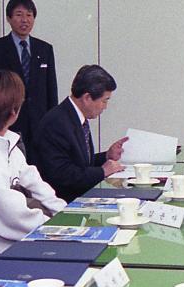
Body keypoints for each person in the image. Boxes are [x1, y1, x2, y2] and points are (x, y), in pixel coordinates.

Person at [0, 70, 66, 252]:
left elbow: (34, 182)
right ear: (14, 111)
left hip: (19, 239)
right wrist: (55, 225)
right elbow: (12, 215)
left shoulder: (6, 141)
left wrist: (65, 213)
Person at [34, 64, 128, 201]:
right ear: (87, 98)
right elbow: (62, 175)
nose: (105, 107)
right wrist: (103, 171)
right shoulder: (56, 123)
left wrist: (106, 156)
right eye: (104, 101)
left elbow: (80, 163)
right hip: (62, 202)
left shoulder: (75, 117)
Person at [0, 0, 58, 156]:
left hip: (39, 124)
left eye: (29, 15)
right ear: (9, 18)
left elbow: (51, 90)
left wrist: (52, 123)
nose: (25, 20)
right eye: (19, 14)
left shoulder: (45, 49)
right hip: (7, 122)